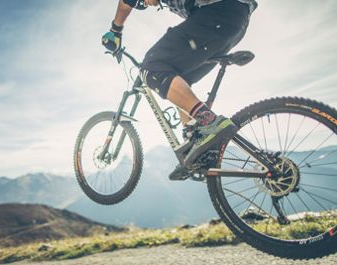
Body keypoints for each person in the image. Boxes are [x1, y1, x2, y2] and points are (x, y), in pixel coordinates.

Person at [102, 0, 257, 180]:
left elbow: (125, 3)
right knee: (178, 80)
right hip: (234, 20)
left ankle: (210, 122)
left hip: (219, 12)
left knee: (152, 69)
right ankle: (195, 143)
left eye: (143, 2)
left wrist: (115, 31)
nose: (146, 4)